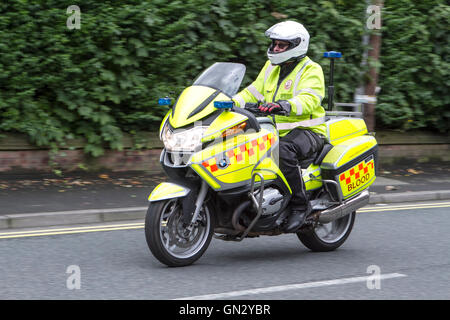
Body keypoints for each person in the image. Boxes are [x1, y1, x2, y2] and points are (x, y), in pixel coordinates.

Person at [232, 20, 326, 232]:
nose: (275, 49)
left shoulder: (311, 69)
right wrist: (229, 101)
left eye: (281, 46)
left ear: (296, 45)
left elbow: (310, 99)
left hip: (307, 131)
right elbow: (252, 92)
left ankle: (299, 206)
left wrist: (284, 105)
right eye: (274, 44)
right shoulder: (271, 67)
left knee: (282, 151)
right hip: (271, 130)